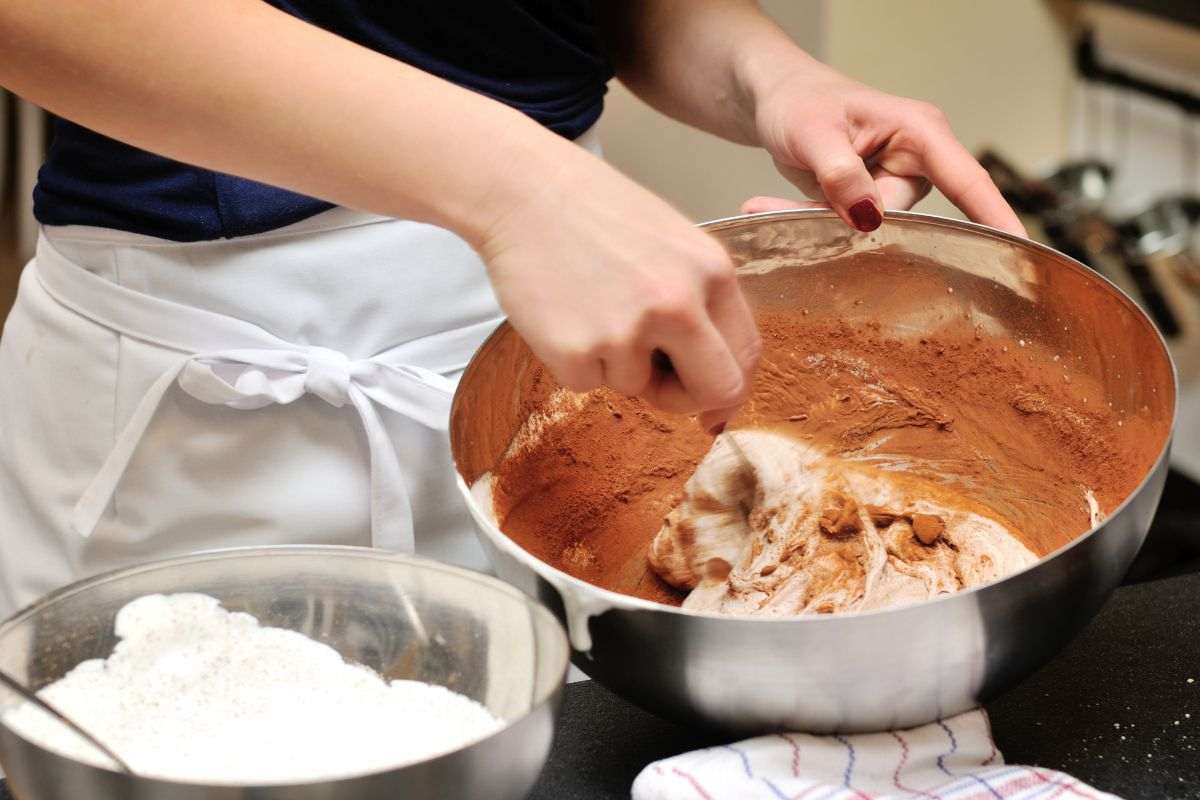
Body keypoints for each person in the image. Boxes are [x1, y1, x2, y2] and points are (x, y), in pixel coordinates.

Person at [0, 1, 1024, 618]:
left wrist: (770, 74)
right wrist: (516, 189)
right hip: (200, 409)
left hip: (557, 371)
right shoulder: (521, 194)